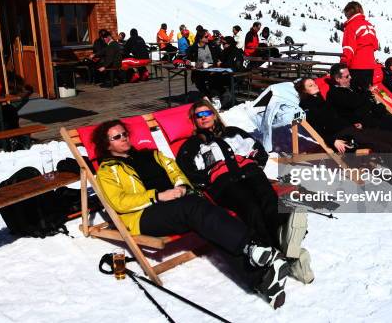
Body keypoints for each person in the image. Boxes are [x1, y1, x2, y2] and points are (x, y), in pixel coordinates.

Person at [93, 120, 290, 308]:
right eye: (116, 137)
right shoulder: (107, 170)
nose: (124, 138)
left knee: (207, 221)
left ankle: (261, 281)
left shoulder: (151, 154)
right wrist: (158, 196)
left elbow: (175, 170)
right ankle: (252, 247)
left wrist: (180, 186)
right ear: (106, 145)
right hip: (144, 214)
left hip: (178, 203)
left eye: (124, 134)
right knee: (195, 210)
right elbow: (119, 202)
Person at [176, 100, 313, 284]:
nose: (203, 118)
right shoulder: (192, 145)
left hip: (250, 172)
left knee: (268, 200)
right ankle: (288, 250)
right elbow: (187, 170)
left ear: (214, 114)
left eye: (206, 113)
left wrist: (253, 163)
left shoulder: (232, 132)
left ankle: (281, 249)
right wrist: (208, 181)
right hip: (224, 183)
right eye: (198, 116)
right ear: (194, 121)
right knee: (251, 208)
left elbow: (257, 149)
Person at [295, 78, 392, 192]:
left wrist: (355, 123)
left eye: (313, 83)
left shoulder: (321, 101)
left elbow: (337, 118)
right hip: (344, 137)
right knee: (384, 147)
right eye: (310, 85)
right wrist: (334, 141)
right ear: (304, 91)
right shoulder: (307, 107)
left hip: (352, 129)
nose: (315, 85)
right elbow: (318, 128)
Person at [340, 1, 379, 91]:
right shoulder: (369, 26)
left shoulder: (351, 26)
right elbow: (375, 46)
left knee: (356, 94)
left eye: (346, 14)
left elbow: (348, 48)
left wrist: (343, 64)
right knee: (367, 93)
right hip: (370, 66)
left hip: (356, 66)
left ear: (349, 12)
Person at [186, 29, 221, 98]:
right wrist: (194, 64)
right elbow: (188, 61)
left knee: (214, 80)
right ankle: (208, 96)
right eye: (206, 36)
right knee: (199, 81)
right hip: (200, 70)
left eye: (208, 36)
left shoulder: (212, 46)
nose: (208, 37)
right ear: (200, 38)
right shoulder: (193, 48)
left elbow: (220, 55)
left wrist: (218, 61)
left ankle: (211, 96)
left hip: (213, 69)